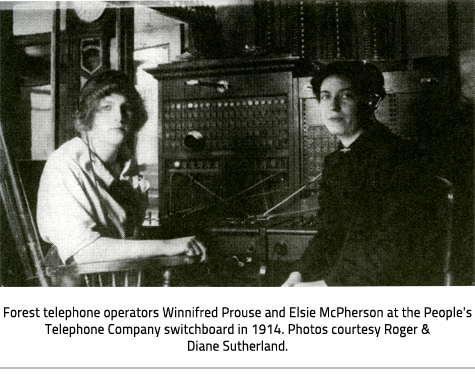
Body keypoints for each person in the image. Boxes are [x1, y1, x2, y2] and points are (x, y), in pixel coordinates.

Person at [282, 61, 435, 287]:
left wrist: (326, 287)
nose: (332, 107)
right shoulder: (334, 162)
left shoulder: (400, 157)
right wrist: (299, 274)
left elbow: (394, 248)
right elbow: (328, 234)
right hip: (345, 282)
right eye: (325, 96)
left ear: (370, 102)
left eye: (346, 96)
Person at [37, 70, 206, 270]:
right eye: (106, 108)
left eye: (126, 108)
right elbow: (84, 252)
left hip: (119, 274)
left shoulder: (124, 161)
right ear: (88, 115)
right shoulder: (65, 163)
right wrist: (167, 245)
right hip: (78, 282)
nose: (119, 117)